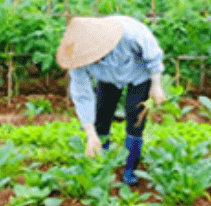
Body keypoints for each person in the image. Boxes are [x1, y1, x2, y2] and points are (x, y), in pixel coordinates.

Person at [56, 15, 166, 185]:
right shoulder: (78, 59)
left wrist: (156, 85)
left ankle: (130, 170)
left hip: (139, 75)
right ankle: (103, 164)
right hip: (108, 78)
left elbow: (153, 55)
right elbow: (83, 95)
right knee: (101, 115)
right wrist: (90, 134)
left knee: (135, 117)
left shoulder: (129, 34)